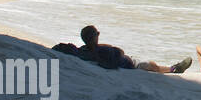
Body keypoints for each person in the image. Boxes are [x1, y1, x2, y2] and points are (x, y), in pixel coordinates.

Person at [54, 25, 191, 74]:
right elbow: (119, 54)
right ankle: (174, 69)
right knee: (152, 65)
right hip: (129, 63)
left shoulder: (83, 51)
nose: (99, 35)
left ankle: (173, 68)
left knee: (150, 64)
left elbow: (62, 48)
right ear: (94, 37)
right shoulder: (99, 52)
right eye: (97, 33)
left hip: (125, 60)